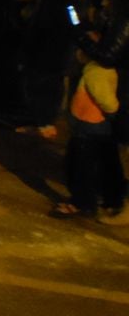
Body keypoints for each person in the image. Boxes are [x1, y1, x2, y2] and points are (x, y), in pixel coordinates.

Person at [74, 0, 129, 224]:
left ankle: (122, 206)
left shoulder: (125, 20)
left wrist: (83, 40)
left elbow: (108, 56)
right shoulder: (115, 19)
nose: (104, 0)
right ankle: (114, 197)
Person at [48, 47, 124, 220]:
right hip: (93, 126)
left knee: (80, 166)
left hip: (89, 127)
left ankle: (81, 202)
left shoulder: (95, 71)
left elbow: (109, 102)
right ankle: (108, 199)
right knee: (103, 162)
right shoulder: (97, 69)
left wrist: (110, 113)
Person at [17, 0, 84, 139]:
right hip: (57, 53)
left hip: (44, 52)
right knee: (50, 88)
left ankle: (43, 123)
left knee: (38, 87)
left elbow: (36, 28)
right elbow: (76, 25)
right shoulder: (70, 3)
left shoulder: (52, 1)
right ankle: (44, 123)